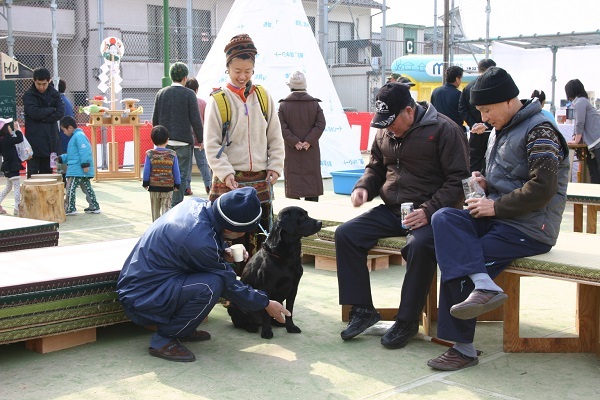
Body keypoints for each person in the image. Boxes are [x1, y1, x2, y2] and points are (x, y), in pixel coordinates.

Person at [427, 67, 569, 371]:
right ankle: (483, 284)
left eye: (487, 110)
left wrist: (495, 206)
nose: (483, 117)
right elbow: (509, 176)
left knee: (462, 258)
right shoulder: (503, 127)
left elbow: (543, 187)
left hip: (530, 228)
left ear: (508, 101)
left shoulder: (540, 129)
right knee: (444, 219)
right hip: (501, 217)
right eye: (480, 111)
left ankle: (463, 349)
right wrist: (485, 183)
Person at [335, 82, 469, 348]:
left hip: (435, 214)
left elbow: (459, 181)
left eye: (391, 121)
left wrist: (428, 210)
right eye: (382, 123)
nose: (387, 128)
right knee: (346, 234)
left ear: (409, 111)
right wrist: (363, 187)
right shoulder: (385, 131)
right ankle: (362, 310)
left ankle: (407, 320)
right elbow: (375, 168)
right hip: (394, 209)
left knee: (419, 245)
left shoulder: (445, 129)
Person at [116, 187, 290, 362]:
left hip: (144, 284)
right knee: (212, 285)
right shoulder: (200, 243)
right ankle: (163, 340)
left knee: (212, 280)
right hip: (142, 299)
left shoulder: (196, 204)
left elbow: (200, 240)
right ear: (233, 230)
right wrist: (265, 303)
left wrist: (223, 250)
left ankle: (182, 328)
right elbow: (229, 284)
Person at [204, 33, 284, 272]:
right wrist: (225, 173)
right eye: (237, 70)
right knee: (228, 240)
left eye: (248, 71)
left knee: (261, 240)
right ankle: (228, 290)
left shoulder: (263, 96)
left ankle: (257, 288)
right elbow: (211, 144)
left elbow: (275, 136)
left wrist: (275, 165)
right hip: (230, 183)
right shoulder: (218, 100)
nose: (242, 76)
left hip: (260, 181)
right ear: (227, 66)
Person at [151, 62, 203, 207]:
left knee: (164, 175)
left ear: (171, 76)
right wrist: (201, 139)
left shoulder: (161, 93)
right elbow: (195, 119)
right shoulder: (189, 94)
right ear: (185, 78)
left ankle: (165, 206)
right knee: (180, 177)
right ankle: (176, 207)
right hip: (183, 143)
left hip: (164, 144)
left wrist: (157, 141)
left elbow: (155, 120)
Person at [278, 71, 326, 202]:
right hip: (311, 150)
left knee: (293, 182)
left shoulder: (283, 105)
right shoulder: (314, 104)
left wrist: (295, 142)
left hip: (292, 150)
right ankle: (313, 214)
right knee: (312, 181)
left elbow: (281, 127)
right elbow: (321, 124)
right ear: (305, 86)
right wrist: (309, 141)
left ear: (290, 86)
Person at [23, 67, 65, 178]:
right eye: (38, 84)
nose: (41, 87)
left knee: (47, 174)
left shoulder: (54, 94)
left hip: (50, 139)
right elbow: (33, 112)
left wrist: (41, 117)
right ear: (33, 81)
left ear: (49, 81)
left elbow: (60, 112)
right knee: (32, 174)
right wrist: (51, 109)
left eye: (44, 84)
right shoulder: (28, 95)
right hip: (33, 140)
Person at [458, 58, 496, 173]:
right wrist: (485, 124)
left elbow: (462, 108)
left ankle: (472, 190)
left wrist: (474, 124)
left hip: (475, 133)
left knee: (473, 164)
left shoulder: (468, 87)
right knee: (494, 163)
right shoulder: (494, 86)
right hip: (493, 131)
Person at [58, 116, 101, 216]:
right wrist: (61, 158)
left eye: (64, 130)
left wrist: (85, 164)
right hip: (79, 168)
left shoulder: (78, 136)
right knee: (87, 188)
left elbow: (85, 150)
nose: (64, 133)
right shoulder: (76, 137)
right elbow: (73, 155)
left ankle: (70, 207)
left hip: (77, 169)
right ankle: (94, 206)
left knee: (70, 188)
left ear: (70, 128)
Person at [565, 79, 600, 183]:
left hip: (597, 139)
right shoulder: (581, 101)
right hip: (594, 141)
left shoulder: (580, 102)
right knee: (593, 170)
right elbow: (578, 123)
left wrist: (576, 140)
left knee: (595, 170)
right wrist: (575, 136)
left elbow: (580, 122)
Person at [142, 125, 181, 222]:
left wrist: (145, 182)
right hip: (168, 187)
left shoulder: (150, 154)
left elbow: (146, 170)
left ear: (152, 140)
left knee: (155, 211)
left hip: (154, 187)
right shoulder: (172, 154)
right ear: (167, 140)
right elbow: (176, 170)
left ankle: (155, 229)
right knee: (166, 210)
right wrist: (177, 184)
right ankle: (164, 229)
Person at [184, 77, 212, 196]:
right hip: (200, 138)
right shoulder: (202, 103)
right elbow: (207, 121)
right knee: (203, 164)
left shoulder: (184, 102)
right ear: (197, 89)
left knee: (187, 164)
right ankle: (208, 185)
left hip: (186, 138)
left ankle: (187, 188)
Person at [0, 118, 25, 216]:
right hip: (12, 166)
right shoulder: (7, 139)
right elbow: (20, 139)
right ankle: (17, 207)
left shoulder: (2, 140)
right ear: (5, 129)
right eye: (9, 127)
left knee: (8, 187)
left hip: (6, 166)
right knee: (16, 186)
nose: (10, 128)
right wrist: (17, 130)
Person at [430, 66, 465, 131]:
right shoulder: (459, 94)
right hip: (455, 128)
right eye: (461, 78)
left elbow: (432, 109)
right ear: (457, 79)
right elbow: (463, 112)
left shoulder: (435, 91)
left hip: (438, 128)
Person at [58, 78, 75, 184]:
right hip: (66, 134)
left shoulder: (60, 101)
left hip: (63, 135)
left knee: (63, 155)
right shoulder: (66, 100)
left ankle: (65, 177)